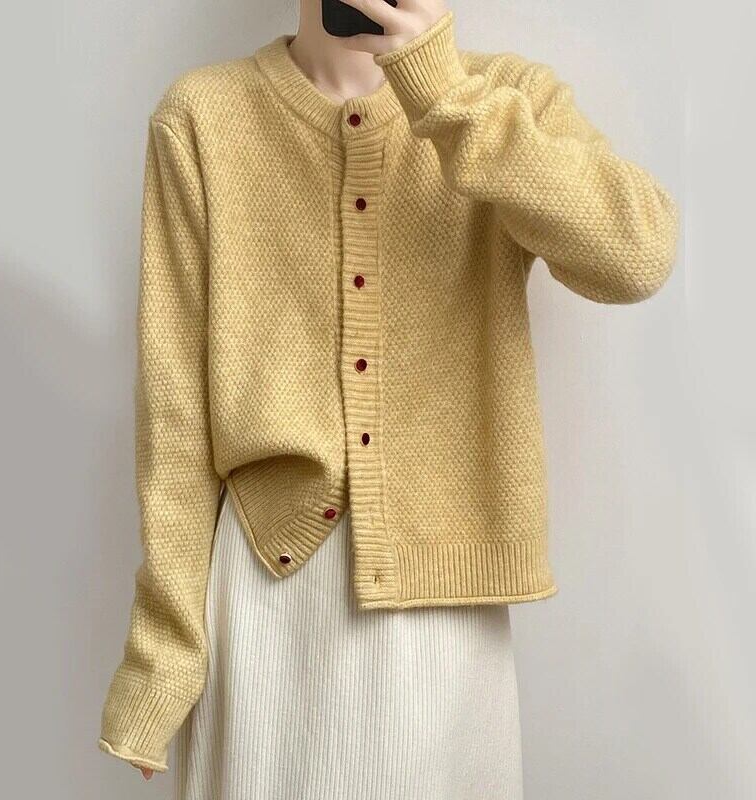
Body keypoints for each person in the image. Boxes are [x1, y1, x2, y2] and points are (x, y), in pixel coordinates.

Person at [97, 1, 679, 797]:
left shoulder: (501, 98)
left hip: (443, 604)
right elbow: (174, 420)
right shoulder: (204, 116)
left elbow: (638, 256)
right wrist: (163, 656)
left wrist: (443, 94)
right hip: (268, 594)